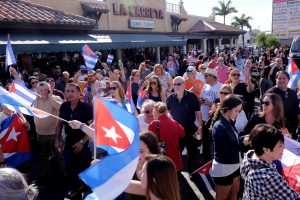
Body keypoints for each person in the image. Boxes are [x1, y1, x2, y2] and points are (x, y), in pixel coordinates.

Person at [240, 124, 300, 199]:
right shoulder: (269, 178)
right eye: (280, 146)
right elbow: (294, 198)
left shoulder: (249, 156)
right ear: (266, 150)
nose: (284, 148)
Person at [55, 83, 93, 200]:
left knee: (83, 166)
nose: (69, 93)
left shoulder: (86, 108)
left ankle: (85, 189)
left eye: (72, 91)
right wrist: (57, 139)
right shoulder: (64, 106)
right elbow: (60, 123)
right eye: (67, 91)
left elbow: (92, 127)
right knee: (69, 165)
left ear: (79, 93)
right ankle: (74, 188)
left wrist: (82, 142)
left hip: (84, 142)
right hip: (69, 141)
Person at [210, 95, 243, 200]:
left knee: (234, 194)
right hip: (224, 169)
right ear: (228, 109)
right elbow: (224, 152)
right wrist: (243, 144)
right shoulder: (219, 127)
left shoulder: (229, 121)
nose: (238, 114)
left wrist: (243, 139)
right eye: (236, 111)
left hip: (235, 165)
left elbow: (233, 141)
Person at [166, 76, 203, 172]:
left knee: (192, 152)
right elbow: (168, 113)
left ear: (184, 84)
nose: (176, 86)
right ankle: (177, 172)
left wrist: (200, 127)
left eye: (179, 84)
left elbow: (198, 113)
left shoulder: (192, 96)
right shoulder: (170, 98)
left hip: (190, 129)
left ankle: (192, 172)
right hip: (176, 130)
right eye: (175, 84)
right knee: (176, 152)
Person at [33, 81, 63, 177]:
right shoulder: (35, 99)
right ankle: (45, 172)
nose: (43, 92)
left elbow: (59, 108)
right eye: (41, 90)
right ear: (37, 91)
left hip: (54, 133)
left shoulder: (56, 98)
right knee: (43, 155)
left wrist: (50, 97)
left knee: (59, 155)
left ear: (50, 89)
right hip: (40, 134)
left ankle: (63, 173)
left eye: (46, 89)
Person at [148, 102, 185, 171]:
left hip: (162, 163)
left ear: (156, 112)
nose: (152, 114)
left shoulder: (153, 124)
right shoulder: (174, 122)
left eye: (153, 112)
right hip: (176, 162)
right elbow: (182, 133)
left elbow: (149, 141)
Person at [267, 71, 300, 138]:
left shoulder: (293, 93)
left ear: (288, 80)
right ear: (276, 80)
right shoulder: (271, 92)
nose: (281, 80)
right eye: (279, 78)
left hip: (292, 127)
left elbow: (297, 110)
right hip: (278, 126)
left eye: (284, 78)